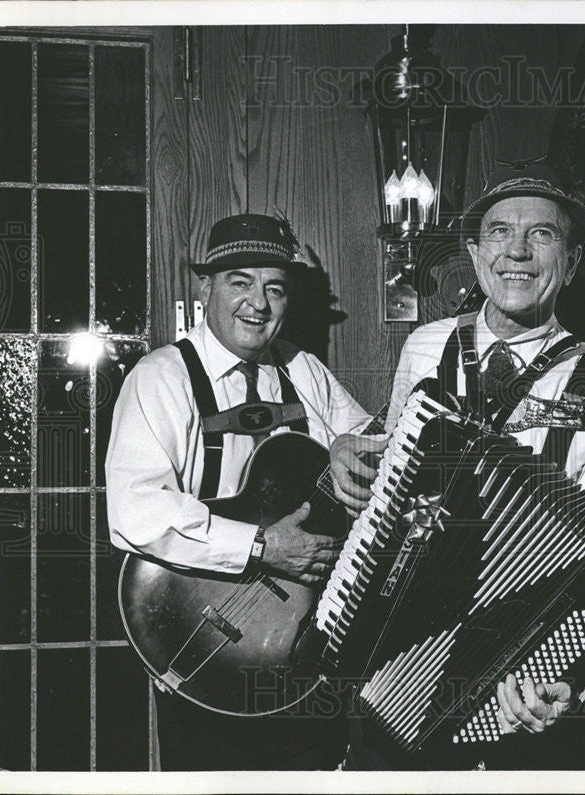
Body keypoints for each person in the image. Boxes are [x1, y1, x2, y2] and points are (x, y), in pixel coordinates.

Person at [340, 161, 585, 770]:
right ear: (473, 251)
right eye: (498, 231)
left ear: (570, 263)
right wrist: (345, 457)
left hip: (507, 650)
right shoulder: (425, 347)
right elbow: (390, 475)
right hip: (396, 623)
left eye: (542, 235)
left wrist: (558, 674)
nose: (516, 250)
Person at [105, 213, 385, 770]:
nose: (258, 303)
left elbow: (367, 445)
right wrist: (261, 546)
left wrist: (354, 450)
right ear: (204, 287)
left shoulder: (305, 371)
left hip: (302, 636)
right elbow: (134, 509)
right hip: (200, 635)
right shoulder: (161, 378)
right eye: (240, 281)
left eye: (274, 287)